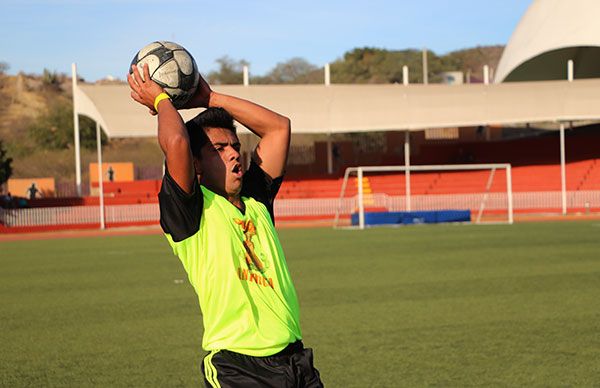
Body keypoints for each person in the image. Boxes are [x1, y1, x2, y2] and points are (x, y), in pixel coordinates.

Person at [127, 63, 323, 388]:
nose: (234, 154)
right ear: (196, 165)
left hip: (295, 361)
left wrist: (210, 97)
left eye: (235, 147)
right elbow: (176, 142)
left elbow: (278, 128)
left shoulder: (257, 200)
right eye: (219, 149)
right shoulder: (191, 211)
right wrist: (161, 99)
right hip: (238, 368)